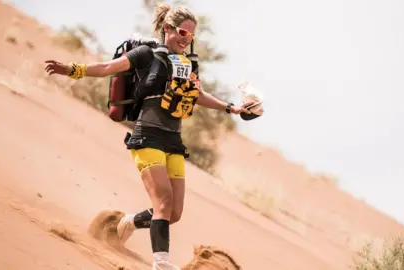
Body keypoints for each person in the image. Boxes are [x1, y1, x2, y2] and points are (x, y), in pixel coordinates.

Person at [44, 4, 254, 270]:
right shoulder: (147, 53)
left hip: (173, 142)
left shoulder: (188, 64)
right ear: (167, 28)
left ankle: (126, 223)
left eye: (190, 36)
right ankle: (161, 264)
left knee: (173, 213)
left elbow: (197, 95)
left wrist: (231, 107)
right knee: (163, 201)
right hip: (147, 137)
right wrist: (73, 69)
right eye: (181, 32)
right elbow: (109, 67)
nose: (185, 39)